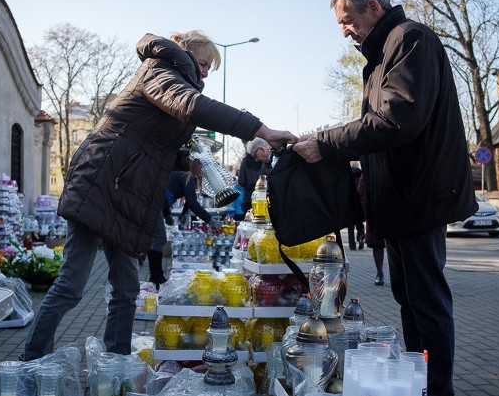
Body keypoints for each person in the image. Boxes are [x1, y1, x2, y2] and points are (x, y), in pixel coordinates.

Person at [23, 31, 296, 358]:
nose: (206, 73)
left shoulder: (175, 79)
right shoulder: (161, 71)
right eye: (204, 63)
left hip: (126, 194)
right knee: (71, 285)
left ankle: (117, 364)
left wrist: (185, 160)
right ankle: (32, 360)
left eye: (211, 68)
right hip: (100, 183)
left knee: (127, 290)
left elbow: (153, 144)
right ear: (187, 53)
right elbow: (193, 106)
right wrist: (260, 129)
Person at [293, 0, 476, 396]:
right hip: (399, 201)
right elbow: (376, 132)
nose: (345, 30)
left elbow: (396, 121)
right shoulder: (379, 60)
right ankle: (422, 391)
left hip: (420, 197)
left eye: (348, 20)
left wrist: (327, 142)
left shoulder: (409, 40)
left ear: (374, 7)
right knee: (409, 298)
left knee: (426, 299)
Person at [148, 158, 212, 286]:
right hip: (152, 205)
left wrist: (167, 215)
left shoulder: (183, 176)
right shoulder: (189, 178)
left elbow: (168, 192)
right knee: (159, 239)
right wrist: (211, 220)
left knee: (157, 239)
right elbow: (193, 203)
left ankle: (156, 276)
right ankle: (156, 276)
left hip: (154, 204)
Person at [237, 137, 271, 218]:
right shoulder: (266, 161)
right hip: (265, 199)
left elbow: (241, 181)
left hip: (249, 199)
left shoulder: (245, 161)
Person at [347, 162, 366, 251]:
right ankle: (360, 238)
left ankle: (352, 245)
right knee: (360, 225)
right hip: (359, 203)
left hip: (349, 204)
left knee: (350, 227)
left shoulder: (347, 175)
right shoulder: (362, 174)